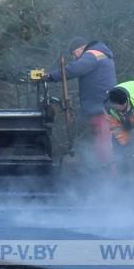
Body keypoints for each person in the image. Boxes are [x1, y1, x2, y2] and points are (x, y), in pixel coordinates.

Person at [44, 38, 118, 171]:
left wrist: (49, 76)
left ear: (80, 48)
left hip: (100, 109)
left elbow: (74, 70)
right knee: (102, 146)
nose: (75, 57)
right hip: (102, 107)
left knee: (103, 146)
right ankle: (105, 177)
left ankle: (109, 178)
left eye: (74, 53)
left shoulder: (92, 55)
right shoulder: (101, 54)